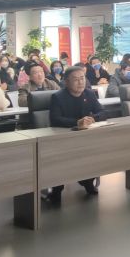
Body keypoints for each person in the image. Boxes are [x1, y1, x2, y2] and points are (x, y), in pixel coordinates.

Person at [47, 66, 103, 199]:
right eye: (76, 79)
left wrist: (93, 118)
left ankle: (87, 181)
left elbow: (103, 112)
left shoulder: (89, 94)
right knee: (61, 159)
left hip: (85, 137)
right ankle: (57, 189)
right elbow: (55, 119)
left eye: (82, 78)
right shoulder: (58, 97)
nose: (80, 82)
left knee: (93, 152)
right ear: (66, 82)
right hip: (64, 137)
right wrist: (76, 123)